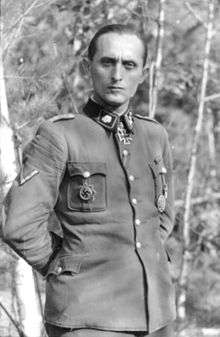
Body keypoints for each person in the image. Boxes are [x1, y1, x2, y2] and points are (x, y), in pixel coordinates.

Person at [2, 24, 176, 337]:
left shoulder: (154, 136)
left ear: (143, 73)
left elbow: (163, 215)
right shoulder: (60, 135)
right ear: (88, 67)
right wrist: (62, 264)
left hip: (156, 315)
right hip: (86, 317)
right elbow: (19, 224)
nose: (117, 75)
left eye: (129, 65)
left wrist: (142, 262)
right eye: (107, 62)